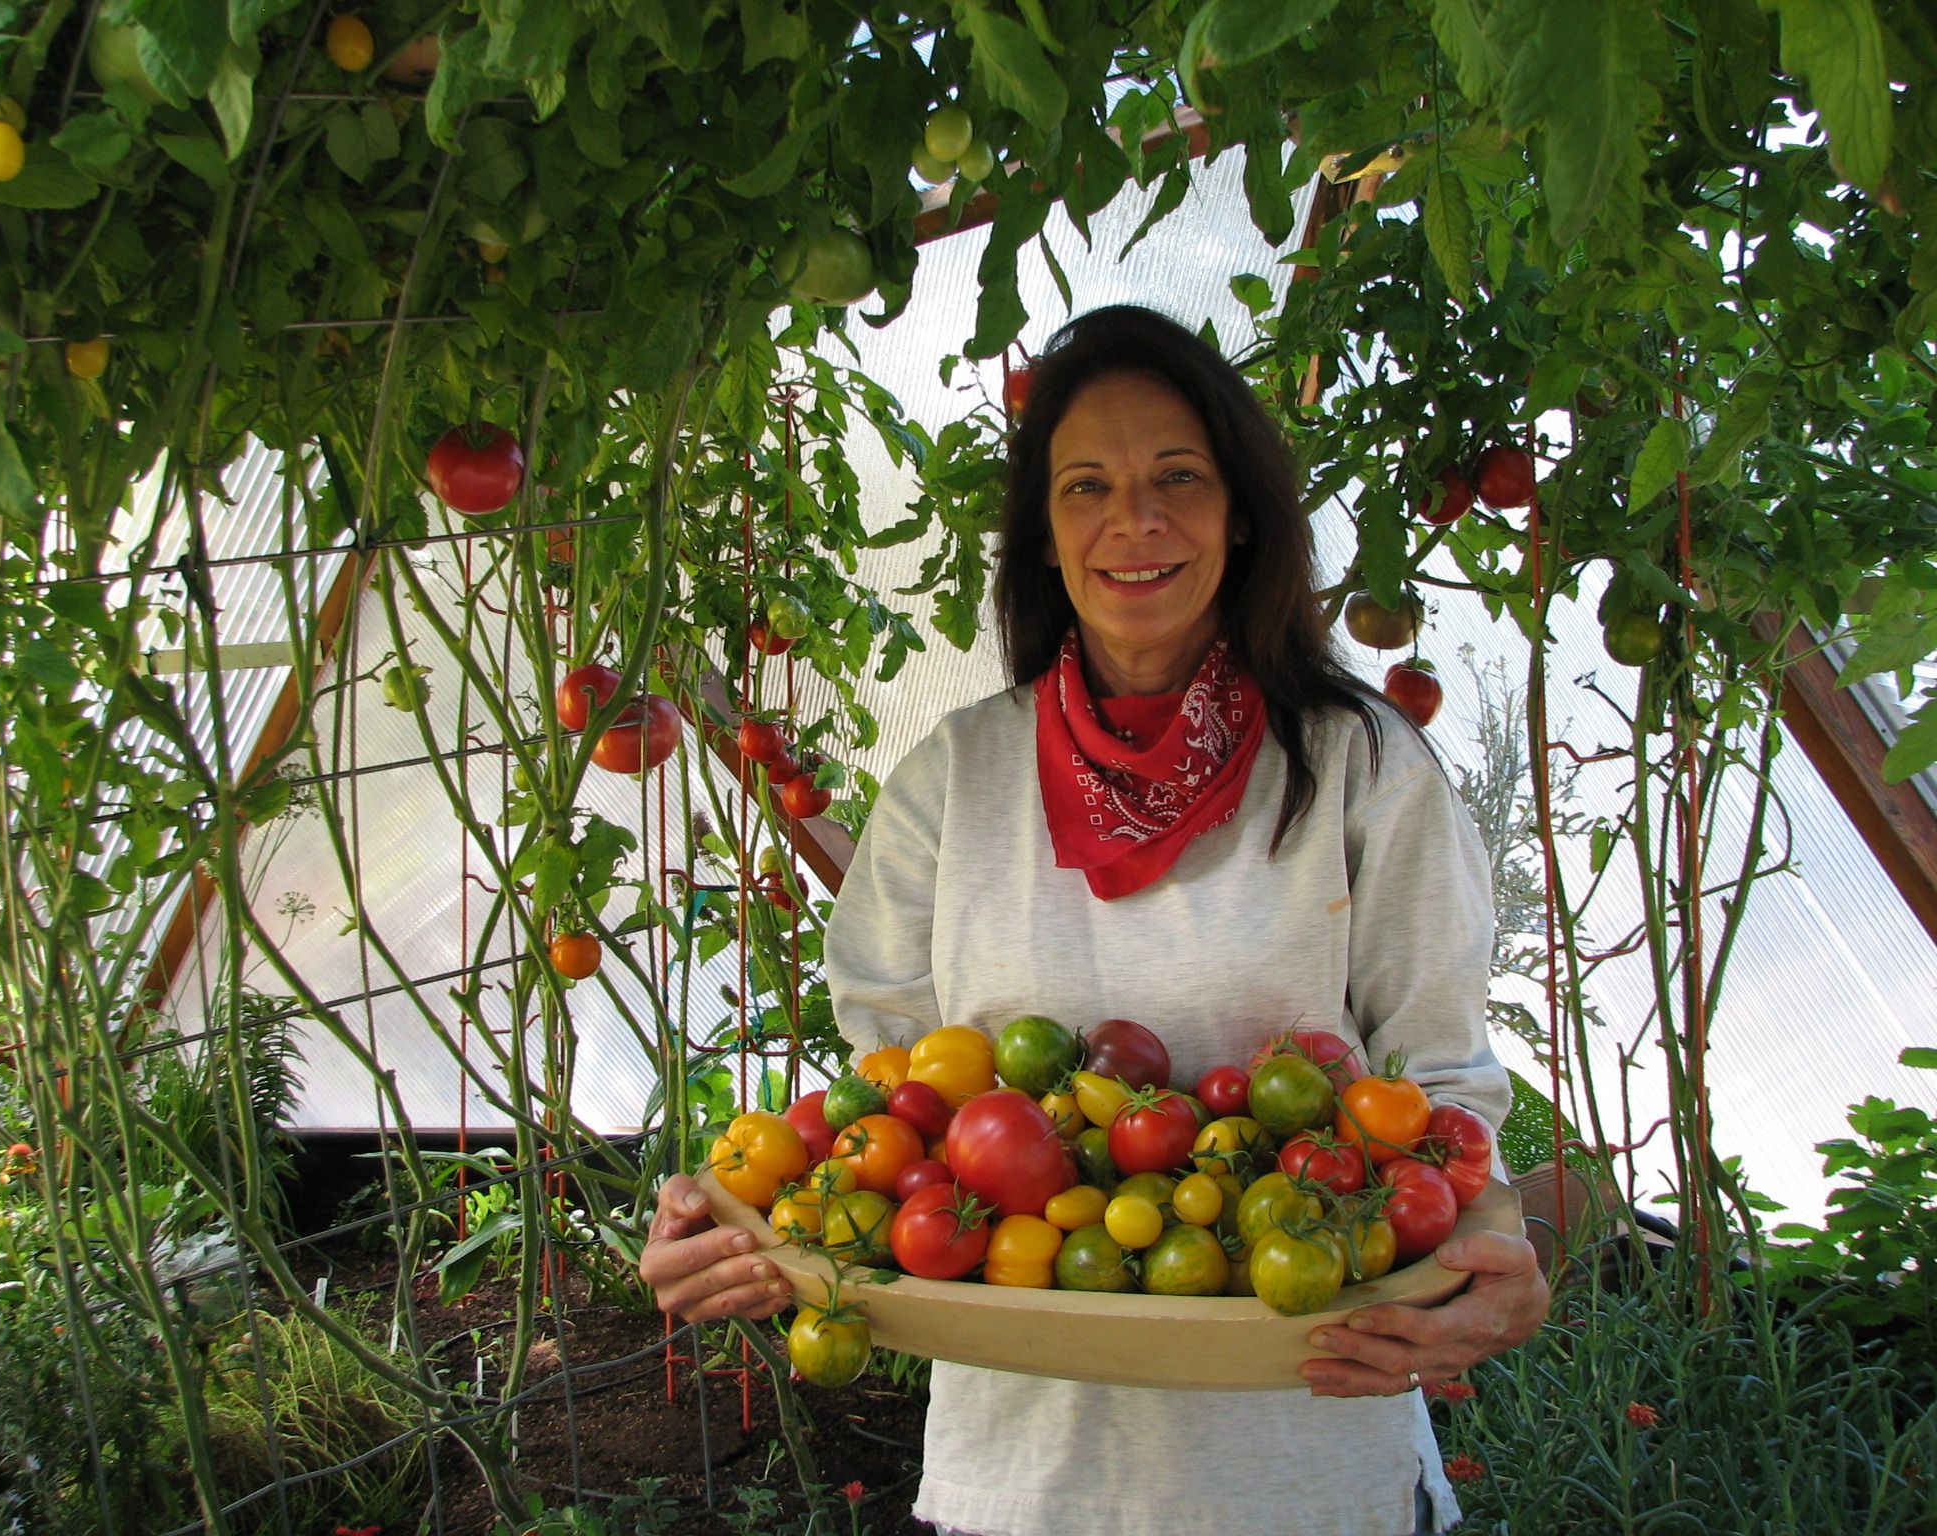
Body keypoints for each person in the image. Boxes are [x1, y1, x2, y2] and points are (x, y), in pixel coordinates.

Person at [641, 305, 1550, 1536]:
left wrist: (1495, 1266)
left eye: (1179, 475)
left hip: (1312, 1468)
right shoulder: (956, 779)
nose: (1136, 521)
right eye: (1087, 488)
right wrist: (736, 1224)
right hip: (1017, 1478)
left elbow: (1441, 1088)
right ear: (1046, 534)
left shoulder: (1357, 767)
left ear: (1241, 511)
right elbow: (882, 1110)